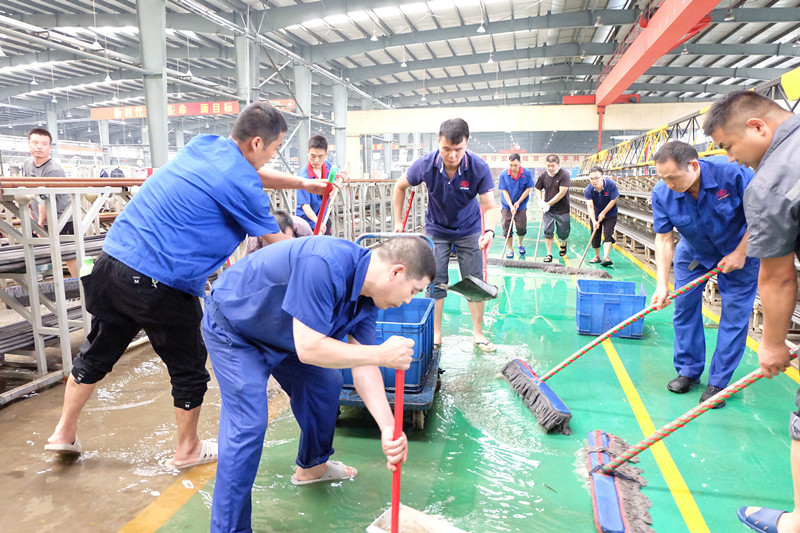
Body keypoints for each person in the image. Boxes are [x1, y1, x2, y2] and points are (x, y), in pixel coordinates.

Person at [44, 102, 333, 469]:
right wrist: (328, 258)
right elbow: (278, 242)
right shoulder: (244, 185)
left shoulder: (205, 145)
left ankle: (63, 433)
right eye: (275, 149)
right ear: (257, 143)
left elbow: (250, 172)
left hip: (110, 263)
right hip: (160, 281)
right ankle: (188, 449)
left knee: (98, 352)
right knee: (190, 368)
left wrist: (303, 183)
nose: (272, 157)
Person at [204, 236, 434, 532]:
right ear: (396, 272)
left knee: (325, 384)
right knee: (248, 424)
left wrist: (389, 428)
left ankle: (313, 467)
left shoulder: (367, 299)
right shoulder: (325, 263)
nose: (408, 300)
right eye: (412, 291)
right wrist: (381, 353)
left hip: (286, 334)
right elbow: (310, 348)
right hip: (237, 329)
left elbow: (364, 366)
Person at [704, 90, 800, 532]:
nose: (734, 159)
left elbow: (779, 277)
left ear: (759, 128)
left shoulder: (770, 181)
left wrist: (772, 344)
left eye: (729, 147)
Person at [650, 141, 759, 408]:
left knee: (734, 315)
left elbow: (760, 217)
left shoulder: (734, 173)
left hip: (739, 251)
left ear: (694, 166)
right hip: (694, 252)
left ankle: (719, 383)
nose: (668, 183)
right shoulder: (662, 192)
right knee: (684, 307)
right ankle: (688, 370)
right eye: (662, 178)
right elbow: (664, 239)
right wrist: (662, 284)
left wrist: (741, 252)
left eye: (673, 177)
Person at [391, 118, 499, 352]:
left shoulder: (478, 167)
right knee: (435, 280)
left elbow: (490, 206)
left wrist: (489, 231)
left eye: (458, 150)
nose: (451, 155)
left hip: (469, 229)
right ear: (438, 143)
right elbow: (400, 187)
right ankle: (436, 333)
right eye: (446, 149)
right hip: (436, 230)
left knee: (474, 282)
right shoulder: (426, 164)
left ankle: (478, 334)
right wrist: (399, 222)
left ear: (466, 144)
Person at [22, 128, 78, 278]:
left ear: (49, 147)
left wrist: (39, 224)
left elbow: (46, 200)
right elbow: (26, 189)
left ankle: (84, 287)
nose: (39, 147)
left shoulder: (54, 169)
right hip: (41, 218)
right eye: (35, 143)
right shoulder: (27, 164)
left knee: (70, 256)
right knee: (49, 252)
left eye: (44, 144)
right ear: (29, 144)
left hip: (62, 218)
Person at [534, 154, 571, 263]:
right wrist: (540, 201)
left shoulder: (564, 175)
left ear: (558, 165)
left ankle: (563, 242)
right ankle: (549, 254)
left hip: (562, 208)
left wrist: (548, 203)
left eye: (552, 166)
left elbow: (562, 193)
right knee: (547, 230)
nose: (550, 168)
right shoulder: (543, 176)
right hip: (548, 210)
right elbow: (537, 189)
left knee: (563, 232)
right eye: (548, 166)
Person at [295, 134, 334, 235]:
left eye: (320, 156)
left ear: (326, 154)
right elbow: (305, 206)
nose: (316, 160)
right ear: (308, 152)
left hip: (323, 220)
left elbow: (333, 182)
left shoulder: (327, 167)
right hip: (307, 224)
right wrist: (318, 223)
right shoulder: (303, 176)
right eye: (313, 155)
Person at [498, 153, 534, 259]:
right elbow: (504, 191)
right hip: (507, 205)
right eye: (511, 165)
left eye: (515, 165)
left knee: (521, 227)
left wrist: (518, 202)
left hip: (521, 205)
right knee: (506, 226)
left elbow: (528, 188)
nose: (513, 168)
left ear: (520, 163)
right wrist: (511, 205)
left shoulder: (526, 173)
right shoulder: (504, 174)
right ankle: (510, 249)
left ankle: (520, 243)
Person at [583, 166, 619, 267]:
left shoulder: (610, 185)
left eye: (596, 178)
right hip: (595, 214)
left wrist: (604, 212)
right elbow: (590, 207)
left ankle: (606, 257)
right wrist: (594, 221)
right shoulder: (588, 190)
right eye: (591, 178)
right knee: (595, 235)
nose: (594, 181)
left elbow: (613, 200)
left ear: (602, 177)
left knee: (608, 234)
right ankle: (597, 256)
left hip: (610, 214)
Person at [243, 209, 312, 255]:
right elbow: (245, 265)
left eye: (287, 239)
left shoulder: (302, 229)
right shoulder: (256, 237)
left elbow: (311, 256)